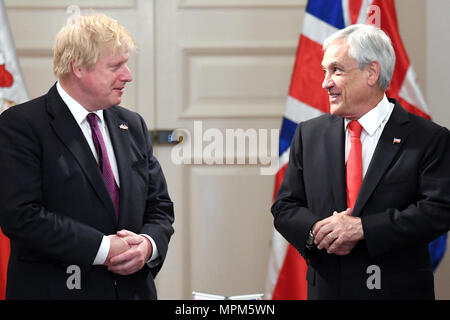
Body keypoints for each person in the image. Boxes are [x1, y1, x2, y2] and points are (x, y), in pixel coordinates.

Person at [0, 13, 174, 300]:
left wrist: (146, 245)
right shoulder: (21, 125)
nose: (127, 75)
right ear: (78, 67)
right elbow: (20, 215)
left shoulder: (133, 125)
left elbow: (159, 207)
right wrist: (103, 250)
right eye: (116, 66)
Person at [271, 24, 450, 299]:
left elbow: (439, 211)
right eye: (324, 71)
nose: (325, 82)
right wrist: (318, 232)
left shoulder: (428, 138)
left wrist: (364, 229)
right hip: (328, 290)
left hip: (396, 291)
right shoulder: (309, 134)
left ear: (372, 72)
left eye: (336, 70)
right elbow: (285, 207)